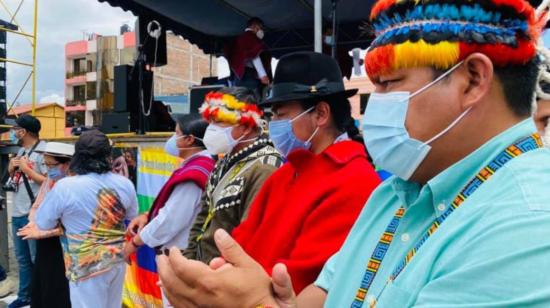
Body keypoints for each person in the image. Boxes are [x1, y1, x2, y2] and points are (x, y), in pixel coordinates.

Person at [155, 0, 550, 307]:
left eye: (389, 83)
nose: (375, 103)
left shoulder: (529, 226)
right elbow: (326, 292)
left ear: (473, 80)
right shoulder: (394, 193)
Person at [226, 52, 381, 293]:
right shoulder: (286, 173)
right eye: (273, 115)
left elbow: (302, 277)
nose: (274, 124)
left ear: (320, 114)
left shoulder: (354, 179)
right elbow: (239, 241)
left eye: (281, 114)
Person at [34, 130, 138, 308]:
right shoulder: (124, 183)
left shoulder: (65, 187)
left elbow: (42, 223)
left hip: (85, 265)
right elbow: (131, 216)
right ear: (108, 156)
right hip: (116, 261)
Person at [182, 87, 283, 264]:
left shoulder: (266, 166)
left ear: (244, 127)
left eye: (219, 122)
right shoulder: (224, 162)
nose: (211, 129)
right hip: (204, 272)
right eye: (210, 122)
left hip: (229, 276)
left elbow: (250, 235)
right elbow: (203, 217)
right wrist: (188, 263)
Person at [123, 114, 214, 306]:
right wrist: (147, 216)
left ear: (189, 139)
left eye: (176, 134)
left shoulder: (194, 173)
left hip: (183, 259)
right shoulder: (198, 166)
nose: (172, 139)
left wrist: (134, 244)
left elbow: (170, 220)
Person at [17, 142, 75, 308]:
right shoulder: (50, 180)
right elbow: (38, 204)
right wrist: (32, 222)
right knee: (42, 283)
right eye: (46, 164)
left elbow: (70, 225)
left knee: (58, 288)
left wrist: (41, 232)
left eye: (52, 164)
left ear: (67, 164)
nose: (48, 169)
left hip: (65, 245)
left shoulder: (74, 185)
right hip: (45, 241)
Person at [6, 114, 46, 308]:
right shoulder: (21, 150)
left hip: (34, 213)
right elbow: (13, 178)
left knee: (35, 258)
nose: (14, 132)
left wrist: (27, 170)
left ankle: (39, 296)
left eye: (16, 129)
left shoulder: (43, 151)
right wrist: (12, 167)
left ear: (25, 131)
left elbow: (50, 181)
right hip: (17, 212)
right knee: (22, 259)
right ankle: (24, 296)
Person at [224, 17, 272, 96]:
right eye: (259, 28)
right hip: (248, 75)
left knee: (240, 101)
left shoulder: (239, 39)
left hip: (238, 76)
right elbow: (255, 56)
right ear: (254, 26)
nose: (260, 30)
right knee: (252, 100)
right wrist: (263, 75)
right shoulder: (251, 37)